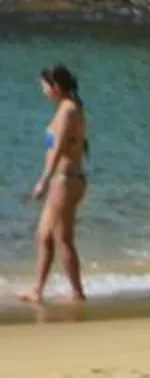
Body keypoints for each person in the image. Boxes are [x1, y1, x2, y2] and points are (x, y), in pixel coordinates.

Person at [21, 64, 88, 306]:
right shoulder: (73, 107)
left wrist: (43, 180)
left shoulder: (67, 110)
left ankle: (40, 291)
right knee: (59, 237)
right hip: (72, 179)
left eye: (44, 86)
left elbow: (58, 147)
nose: (43, 91)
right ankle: (74, 292)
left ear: (56, 87)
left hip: (65, 179)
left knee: (46, 235)